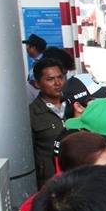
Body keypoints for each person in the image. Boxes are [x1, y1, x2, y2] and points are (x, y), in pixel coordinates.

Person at [28, 58, 67, 187]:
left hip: (77, 177)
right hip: (50, 183)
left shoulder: (75, 106)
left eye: (60, 77)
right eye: (50, 79)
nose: (57, 83)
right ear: (37, 83)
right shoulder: (32, 114)